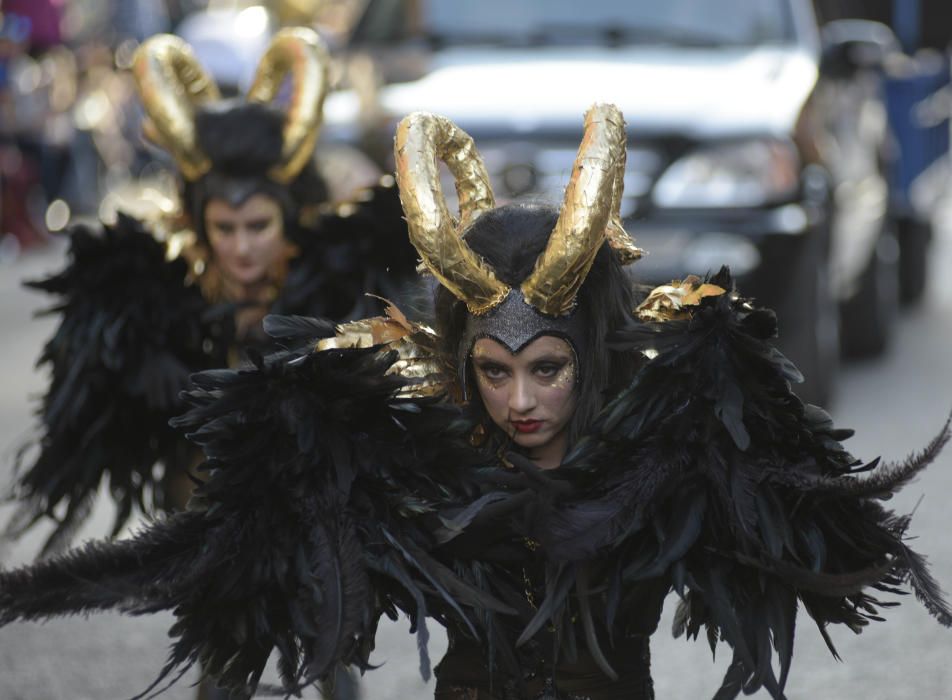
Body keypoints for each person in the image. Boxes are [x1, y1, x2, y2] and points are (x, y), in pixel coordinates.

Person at [0, 105, 949, 700]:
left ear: (590, 356)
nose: (522, 400)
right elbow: (262, 570)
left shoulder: (663, 450)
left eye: (548, 369)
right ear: (462, 365)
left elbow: (823, 535)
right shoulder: (416, 453)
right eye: (494, 373)